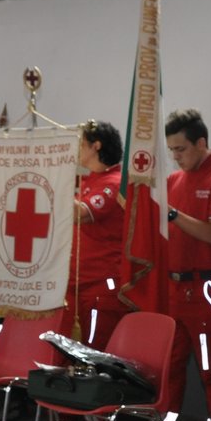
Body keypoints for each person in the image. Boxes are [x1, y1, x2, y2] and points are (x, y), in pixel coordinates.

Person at [121, 109, 211, 421]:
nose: (177, 157)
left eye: (182, 149)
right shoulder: (172, 179)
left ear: (202, 143)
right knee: (167, 369)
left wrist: (170, 214)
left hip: (205, 288)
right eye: (171, 150)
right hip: (173, 288)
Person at [67, 120, 127, 347]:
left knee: (92, 354)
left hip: (100, 287)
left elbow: (80, 213)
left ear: (96, 146)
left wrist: (56, 176)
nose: (77, 150)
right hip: (78, 284)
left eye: (81, 144)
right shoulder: (91, 179)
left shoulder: (114, 183)